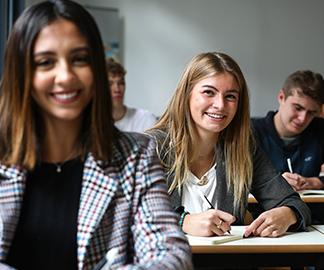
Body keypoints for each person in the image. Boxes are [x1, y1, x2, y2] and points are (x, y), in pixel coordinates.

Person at [0, 1, 192, 269]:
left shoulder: (136, 156)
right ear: (21, 72)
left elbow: (171, 255)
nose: (65, 76)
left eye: (79, 59)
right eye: (46, 62)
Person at [145, 52, 311, 238]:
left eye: (230, 96)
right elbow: (125, 213)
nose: (220, 105)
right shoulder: (151, 147)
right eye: (209, 92)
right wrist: (182, 221)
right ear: (187, 95)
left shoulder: (243, 148)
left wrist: (288, 214)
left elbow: (294, 204)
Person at [252, 70, 324, 191]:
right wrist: (274, 184)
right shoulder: (251, 132)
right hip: (264, 209)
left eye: (311, 112)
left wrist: (311, 182)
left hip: (312, 208)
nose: (302, 119)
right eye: (297, 108)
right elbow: (234, 182)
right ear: (281, 97)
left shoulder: (321, 129)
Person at [106, 58, 157, 133]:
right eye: (110, 84)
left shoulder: (145, 119)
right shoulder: (90, 122)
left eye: (121, 83)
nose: (117, 90)